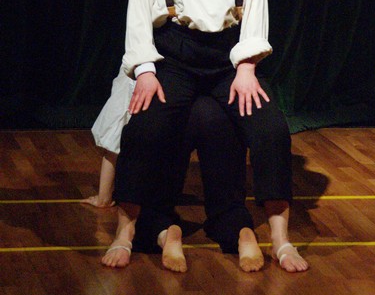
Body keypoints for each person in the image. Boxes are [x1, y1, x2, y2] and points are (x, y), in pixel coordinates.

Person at [105, 0, 308, 273]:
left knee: (271, 129)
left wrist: (247, 65)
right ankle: (126, 232)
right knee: (143, 128)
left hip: (228, 59)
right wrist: (145, 70)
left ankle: (281, 240)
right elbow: (138, 14)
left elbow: (256, 5)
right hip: (174, 56)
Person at [87, 66, 262, 271]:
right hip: (221, 101)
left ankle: (157, 233)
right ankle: (240, 230)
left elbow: (118, 139)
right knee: (228, 203)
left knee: (154, 208)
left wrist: (104, 196)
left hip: (170, 96)